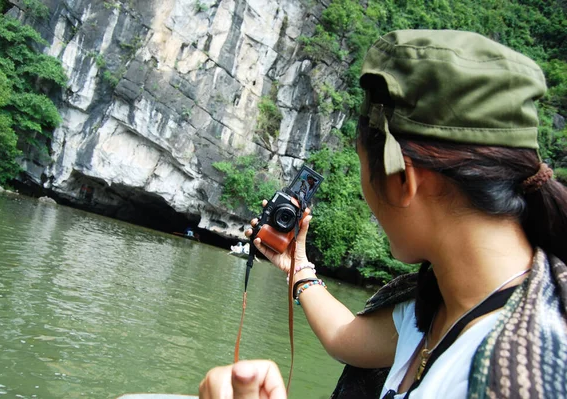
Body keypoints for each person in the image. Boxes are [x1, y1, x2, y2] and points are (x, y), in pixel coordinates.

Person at [199, 30, 567, 399]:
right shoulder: (442, 300)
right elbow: (348, 338)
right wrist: (296, 263)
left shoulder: (518, 377)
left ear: (400, 179)